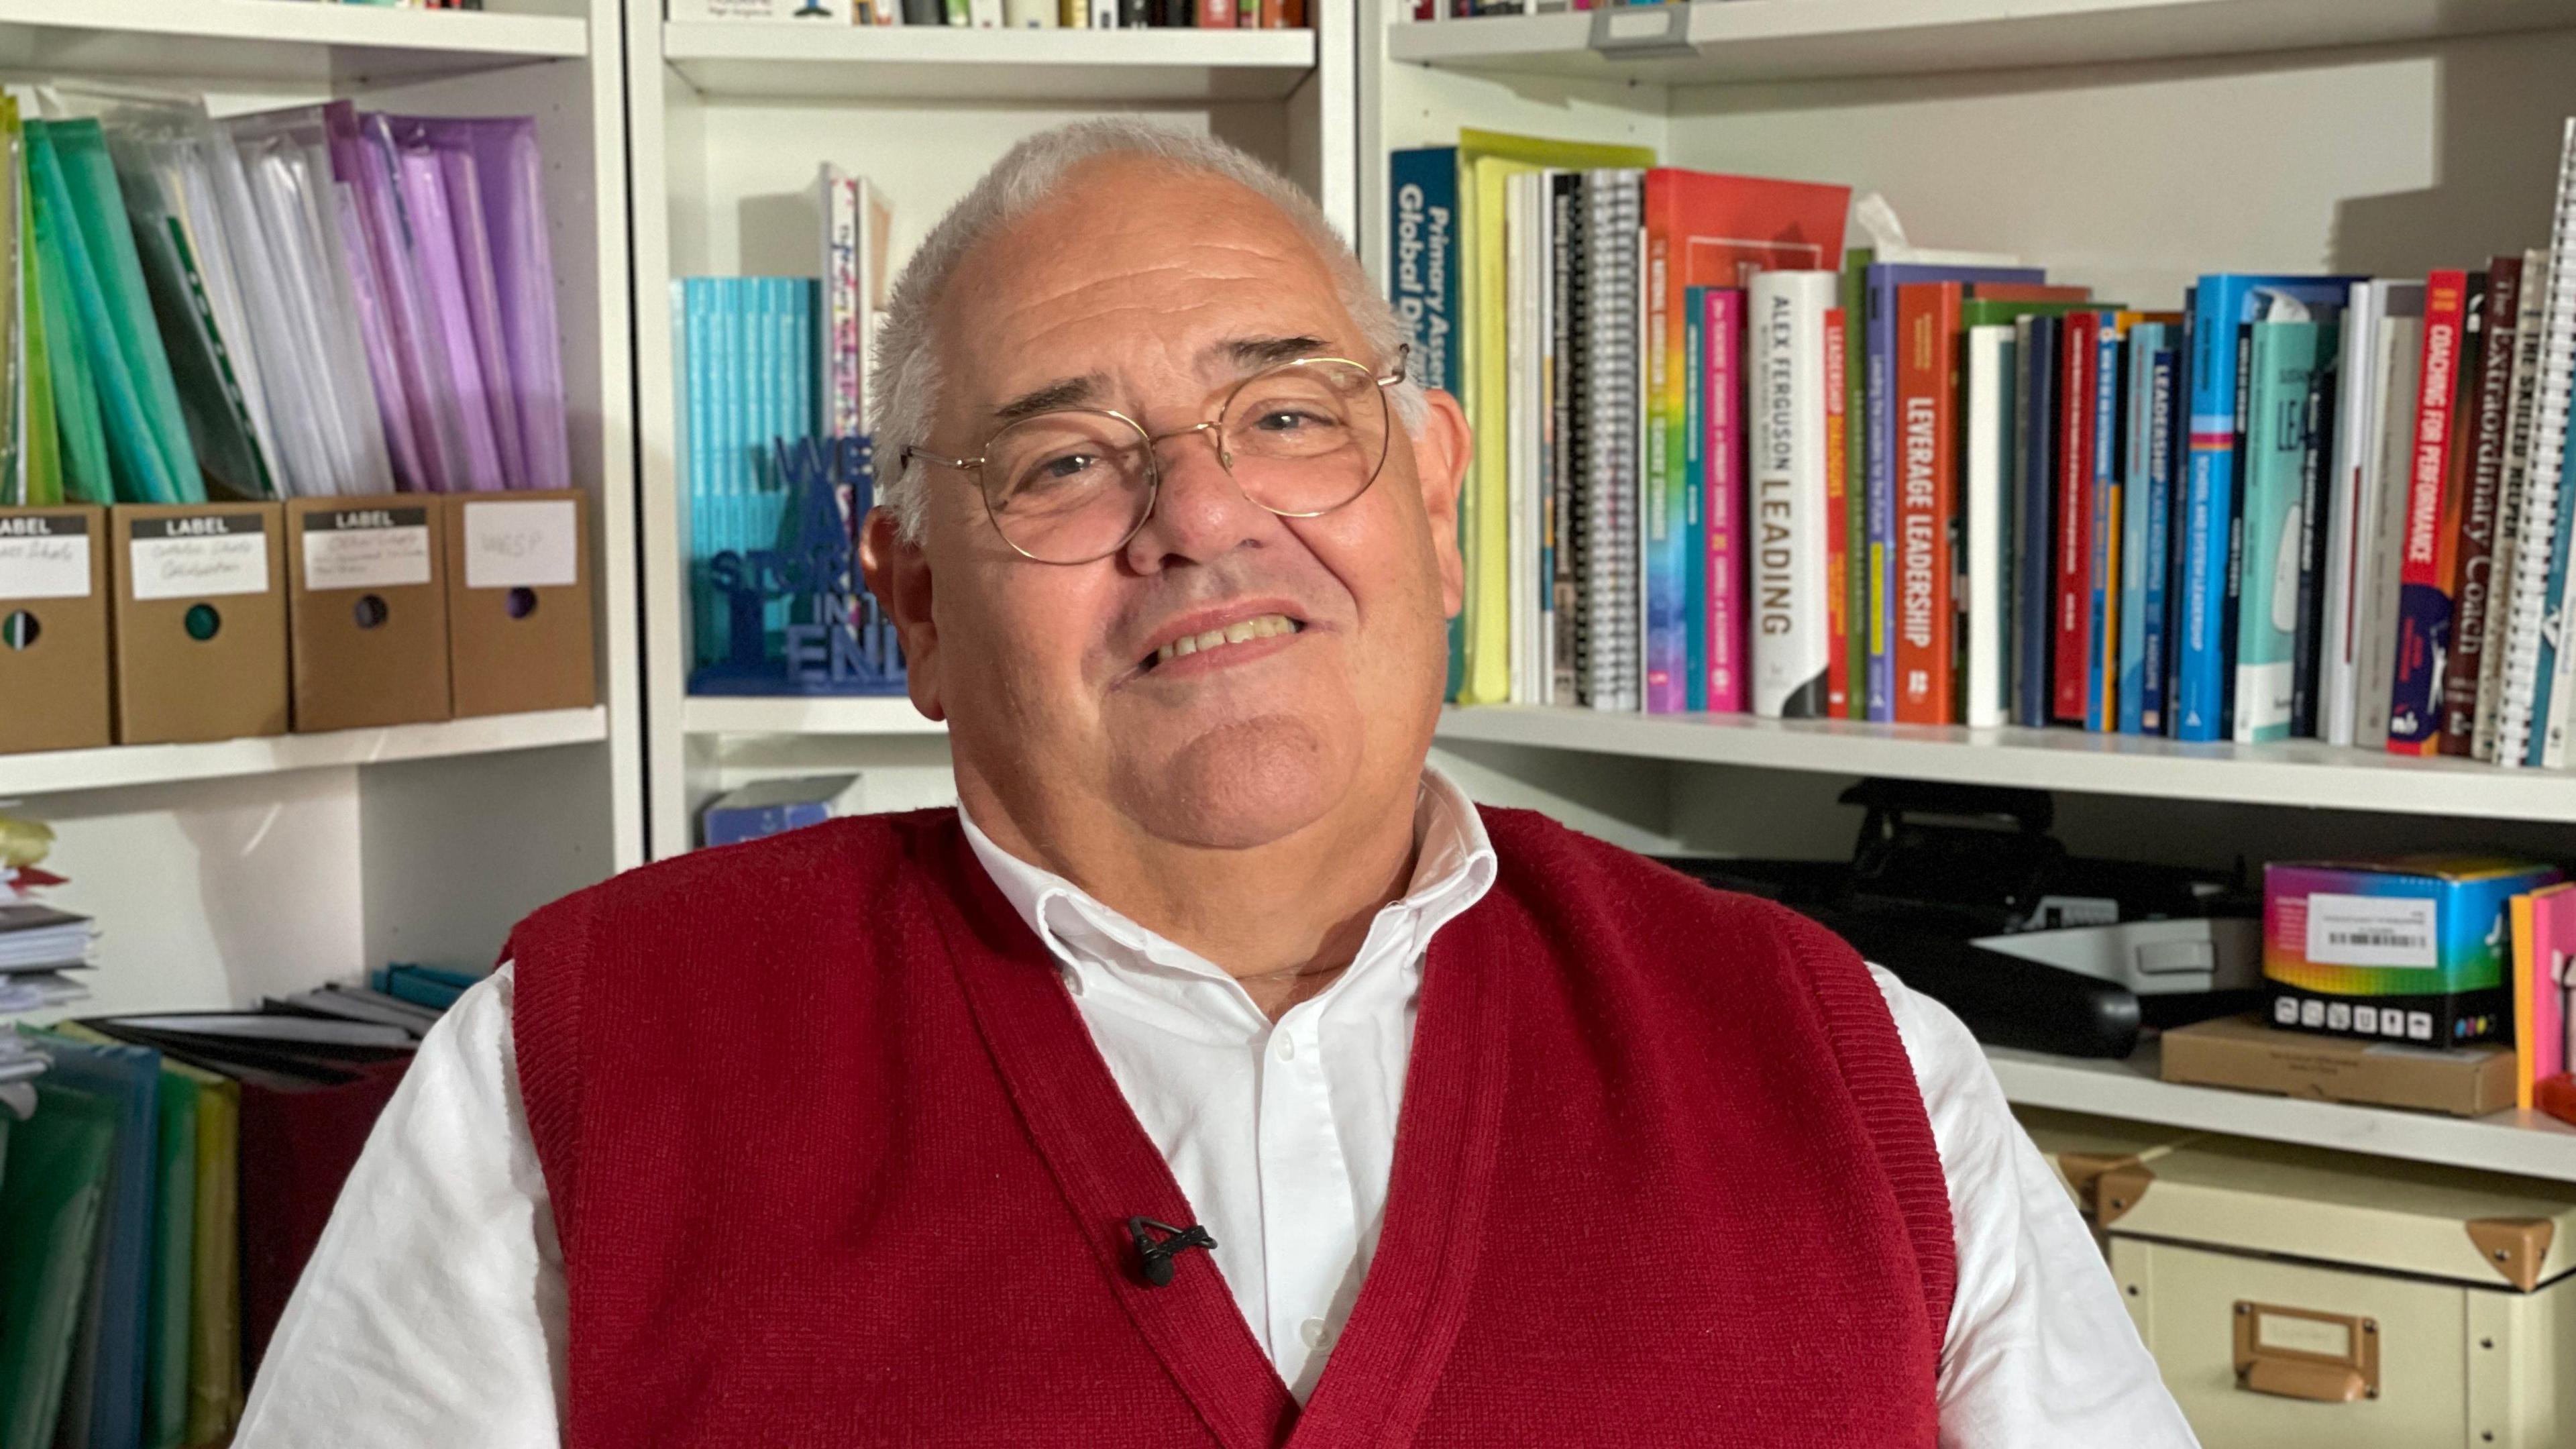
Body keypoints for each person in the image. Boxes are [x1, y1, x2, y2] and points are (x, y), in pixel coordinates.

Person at [236, 121, 2196, 1448]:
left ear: (1433, 506)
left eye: (1284, 415)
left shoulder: (1857, 1070)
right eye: (1067, 460)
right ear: (910, 602)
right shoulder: (575, 1065)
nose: (1201, 516)